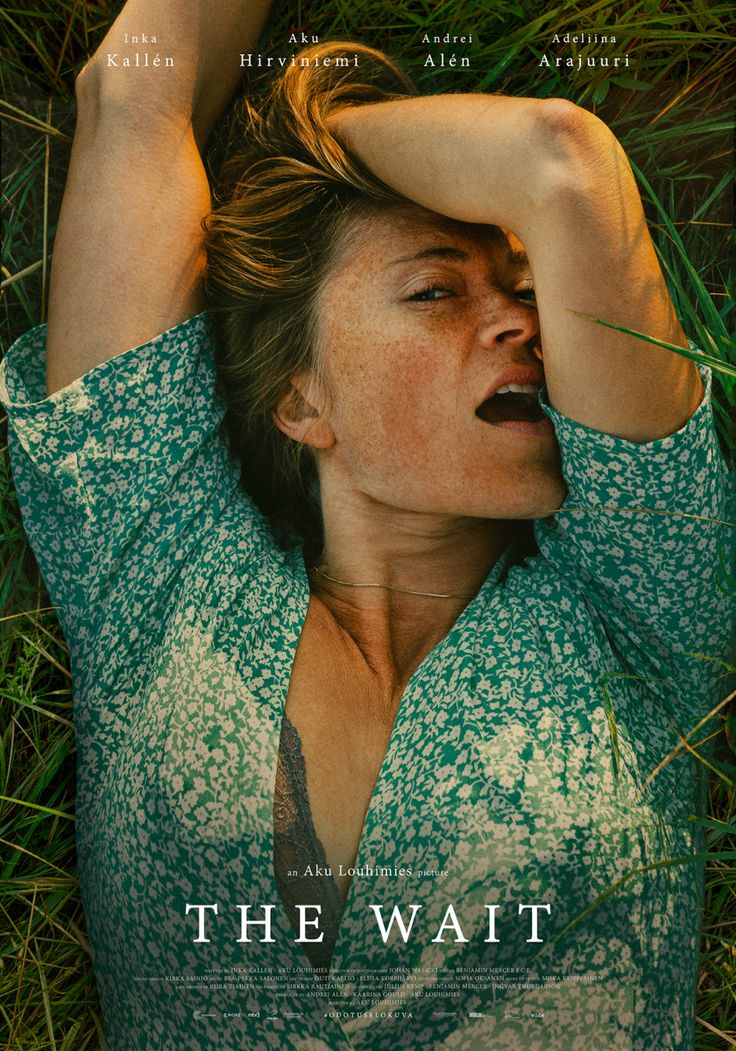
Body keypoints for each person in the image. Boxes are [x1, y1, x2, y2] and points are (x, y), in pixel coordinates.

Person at [1, 1, 732, 1048]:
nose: (522, 320)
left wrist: (317, 140)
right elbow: (135, 83)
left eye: (536, 292)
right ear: (302, 401)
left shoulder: (641, 598)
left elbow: (563, 164)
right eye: (436, 290)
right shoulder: (157, 570)